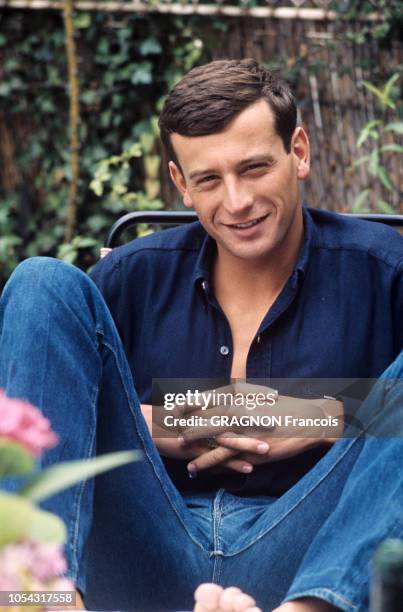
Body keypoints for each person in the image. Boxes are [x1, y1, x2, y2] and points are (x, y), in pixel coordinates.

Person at [0, 58, 402, 612]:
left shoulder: (384, 270)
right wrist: (171, 421)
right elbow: (37, 402)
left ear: (300, 153)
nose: (236, 202)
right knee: (40, 280)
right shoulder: (130, 276)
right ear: (180, 183)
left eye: (255, 168)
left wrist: (318, 416)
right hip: (144, 551)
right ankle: (34, 599)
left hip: (309, 559)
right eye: (209, 179)